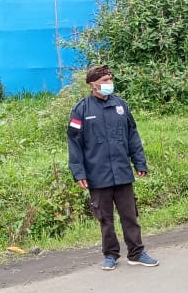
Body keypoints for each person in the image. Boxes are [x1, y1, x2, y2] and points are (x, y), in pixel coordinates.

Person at [67, 65, 159, 270]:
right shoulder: (81, 109)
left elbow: (132, 135)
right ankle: (110, 254)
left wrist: (139, 162)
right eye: (105, 80)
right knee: (105, 218)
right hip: (97, 174)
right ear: (93, 84)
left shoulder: (121, 106)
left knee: (130, 215)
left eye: (110, 79)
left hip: (122, 171)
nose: (109, 83)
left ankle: (136, 252)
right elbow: (74, 142)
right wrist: (78, 172)